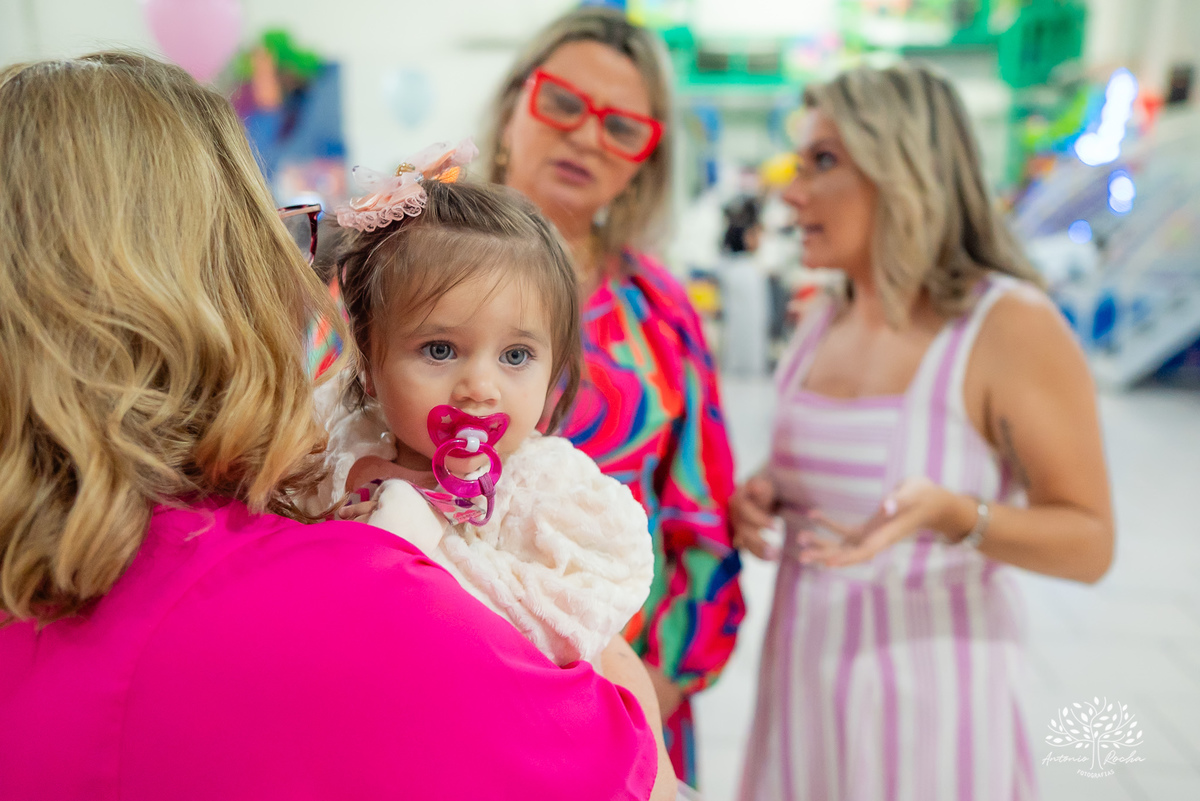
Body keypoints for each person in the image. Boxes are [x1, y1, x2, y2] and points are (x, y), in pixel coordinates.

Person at [0, 52, 675, 801]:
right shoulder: (336, 588)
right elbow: (624, 774)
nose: (295, 281)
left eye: (517, 353)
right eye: (282, 237)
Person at [731, 63, 1114, 801]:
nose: (791, 190)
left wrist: (955, 515)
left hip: (933, 699)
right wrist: (769, 490)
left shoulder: (1007, 324)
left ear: (903, 170)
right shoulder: (822, 317)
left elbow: (1090, 542)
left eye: (824, 161)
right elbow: (824, 472)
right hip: (803, 676)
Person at [481, 6, 746, 784]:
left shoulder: (660, 313)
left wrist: (653, 693)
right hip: (434, 686)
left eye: (623, 127)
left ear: (645, 161)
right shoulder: (395, 273)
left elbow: (703, 514)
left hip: (622, 707)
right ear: (511, 107)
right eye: (563, 103)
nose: (588, 136)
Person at [308, 142, 655, 670]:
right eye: (440, 350)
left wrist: (421, 539)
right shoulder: (330, 438)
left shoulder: (554, 491)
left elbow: (570, 627)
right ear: (368, 362)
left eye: (516, 355)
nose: (480, 388)